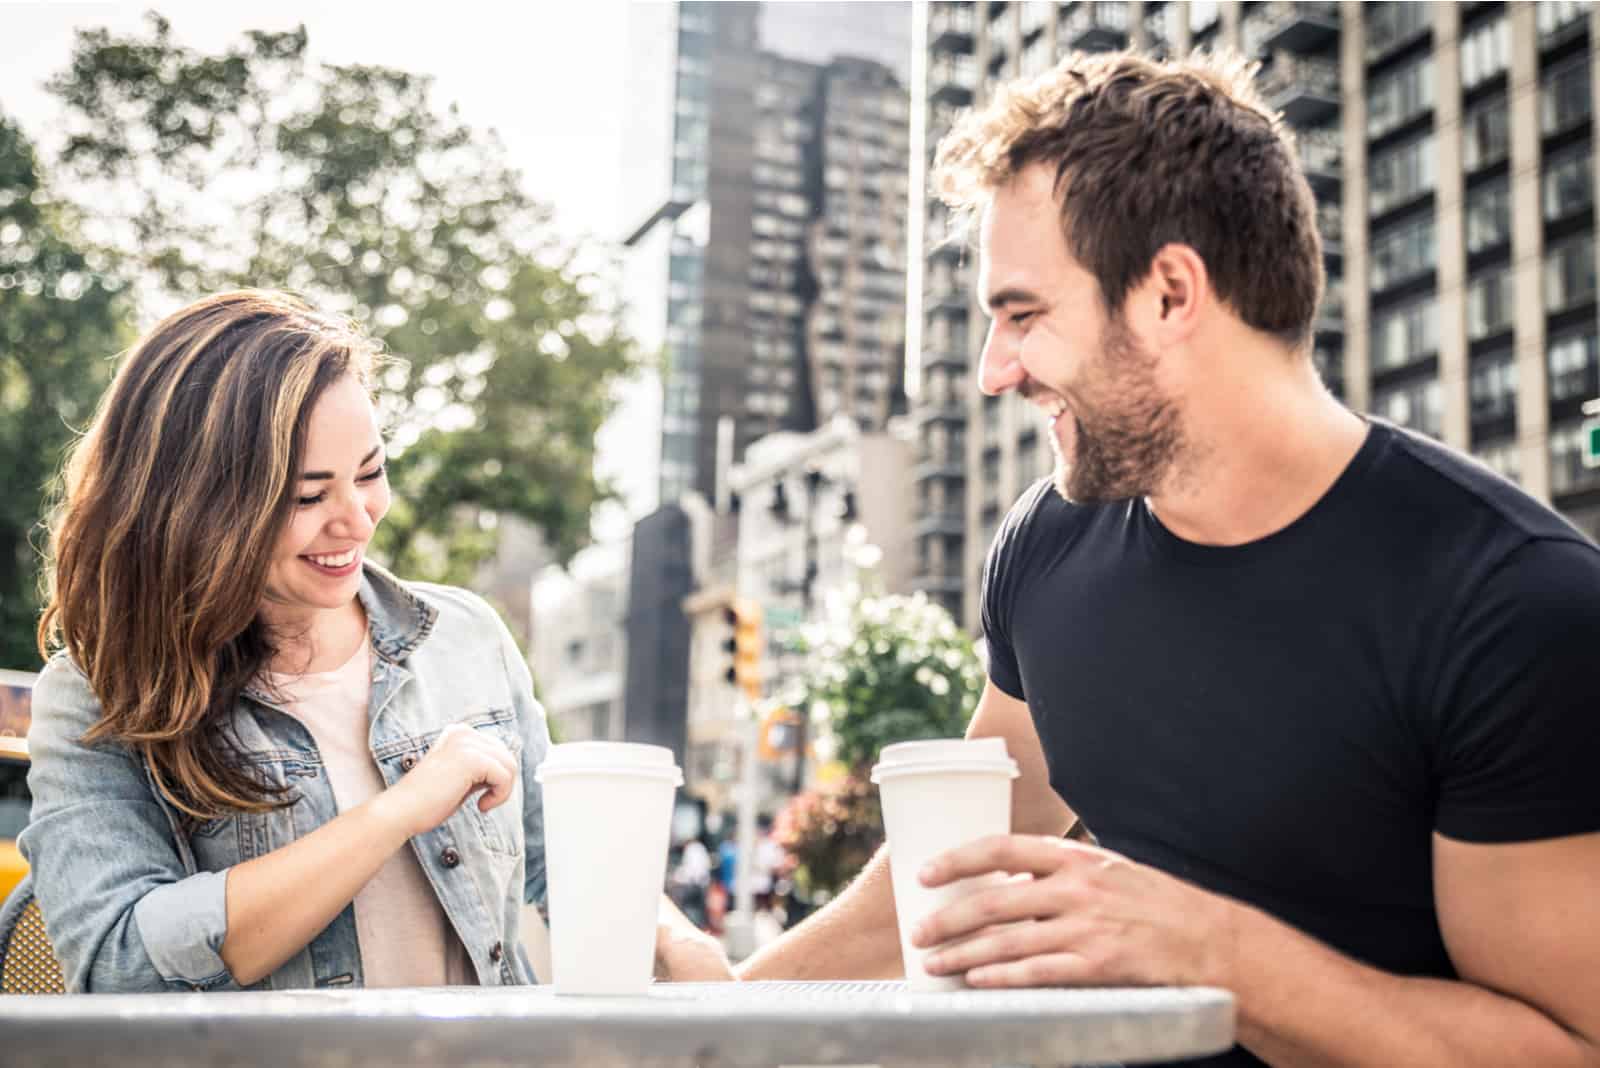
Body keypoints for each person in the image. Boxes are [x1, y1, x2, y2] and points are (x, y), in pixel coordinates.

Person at [666, 51, 1600, 1066]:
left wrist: (1211, 951)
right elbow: (941, 889)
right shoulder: (1047, 545)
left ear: (1167, 295)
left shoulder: (1516, 608)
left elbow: (1568, 1046)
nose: (995, 372)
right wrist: (701, 1031)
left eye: (1022, 315)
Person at [18, 290, 717, 992]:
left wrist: (672, 938)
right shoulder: (97, 695)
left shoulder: (464, 637)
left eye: (371, 472)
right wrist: (395, 813)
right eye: (307, 496)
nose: (357, 519)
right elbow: (117, 966)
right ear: (199, 507)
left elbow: (557, 863)